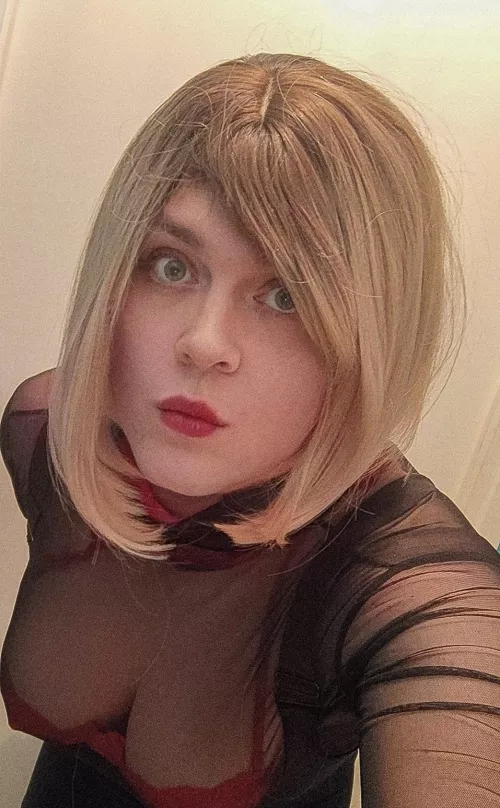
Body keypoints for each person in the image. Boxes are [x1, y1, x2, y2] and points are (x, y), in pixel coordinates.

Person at [1, 52, 499, 808]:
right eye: (171, 266)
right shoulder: (45, 433)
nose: (205, 344)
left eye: (286, 295)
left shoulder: (414, 590)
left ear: (374, 334)